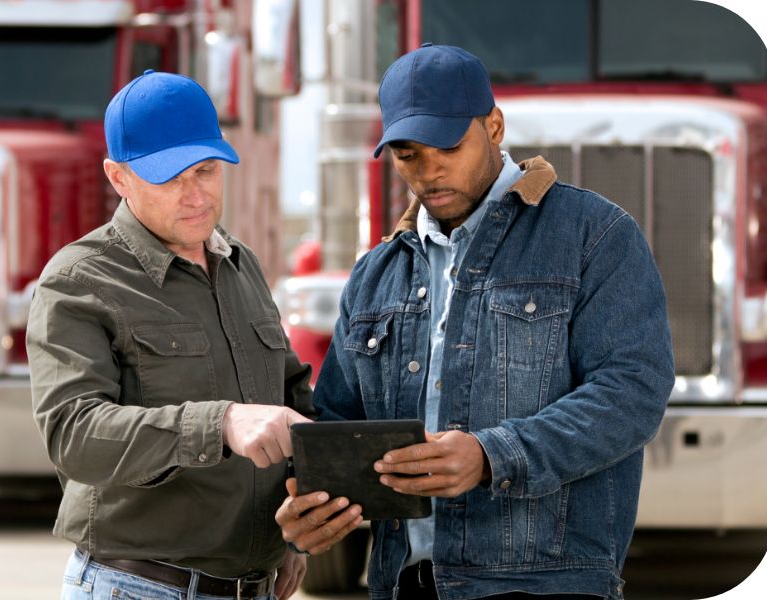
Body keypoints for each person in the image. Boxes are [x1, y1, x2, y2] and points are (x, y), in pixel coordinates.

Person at [276, 44, 675, 600]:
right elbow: (340, 426)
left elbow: (633, 391)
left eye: (448, 145)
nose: (430, 170)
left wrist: (491, 457)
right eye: (408, 154)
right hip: (405, 584)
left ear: (494, 125)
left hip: (546, 584)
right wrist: (305, 514)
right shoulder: (375, 274)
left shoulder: (594, 235)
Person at [27, 69, 314, 600]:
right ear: (118, 177)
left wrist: (292, 537)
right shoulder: (79, 279)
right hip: (136, 586)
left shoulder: (240, 264)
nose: (194, 195)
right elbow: (73, 433)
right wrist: (220, 422)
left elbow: (291, 399)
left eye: (206, 171)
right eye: (168, 178)